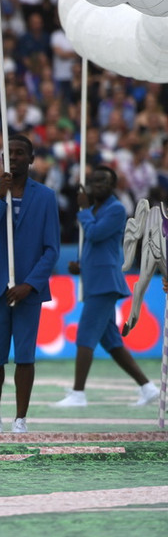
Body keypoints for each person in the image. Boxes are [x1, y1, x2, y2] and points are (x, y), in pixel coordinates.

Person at [0, 134, 60, 433]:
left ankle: (20, 418)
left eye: (21, 152)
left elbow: (52, 249)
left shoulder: (45, 196)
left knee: (25, 355)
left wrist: (30, 284)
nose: (15, 157)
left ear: (32, 159)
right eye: (9, 153)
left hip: (28, 291)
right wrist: (0, 197)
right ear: (1, 160)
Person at [55, 166, 159, 408]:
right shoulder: (94, 209)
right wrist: (80, 266)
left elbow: (96, 234)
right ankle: (148, 387)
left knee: (85, 336)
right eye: (95, 181)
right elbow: (96, 245)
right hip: (95, 279)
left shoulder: (116, 209)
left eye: (103, 181)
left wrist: (82, 210)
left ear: (112, 185)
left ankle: (78, 393)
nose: (98, 185)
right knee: (111, 341)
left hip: (105, 283)